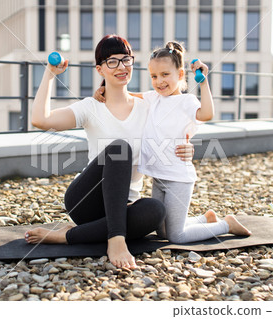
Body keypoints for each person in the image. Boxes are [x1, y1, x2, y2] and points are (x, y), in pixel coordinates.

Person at [24, 35, 194, 269]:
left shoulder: (149, 107)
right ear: (100, 69)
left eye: (126, 60)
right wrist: (49, 74)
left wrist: (187, 146)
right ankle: (116, 238)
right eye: (112, 62)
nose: (121, 67)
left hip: (126, 206)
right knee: (118, 148)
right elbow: (40, 119)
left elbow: (177, 122)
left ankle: (67, 236)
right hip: (87, 201)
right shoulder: (90, 106)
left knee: (156, 210)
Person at [94, 41, 251, 244]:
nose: (159, 81)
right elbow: (127, 95)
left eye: (165, 75)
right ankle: (205, 219)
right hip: (158, 177)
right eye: (154, 76)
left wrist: (203, 82)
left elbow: (207, 113)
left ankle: (226, 225)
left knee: (177, 236)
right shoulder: (154, 98)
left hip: (178, 178)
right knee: (161, 232)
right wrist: (104, 90)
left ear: (180, 74)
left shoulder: (187, 102)